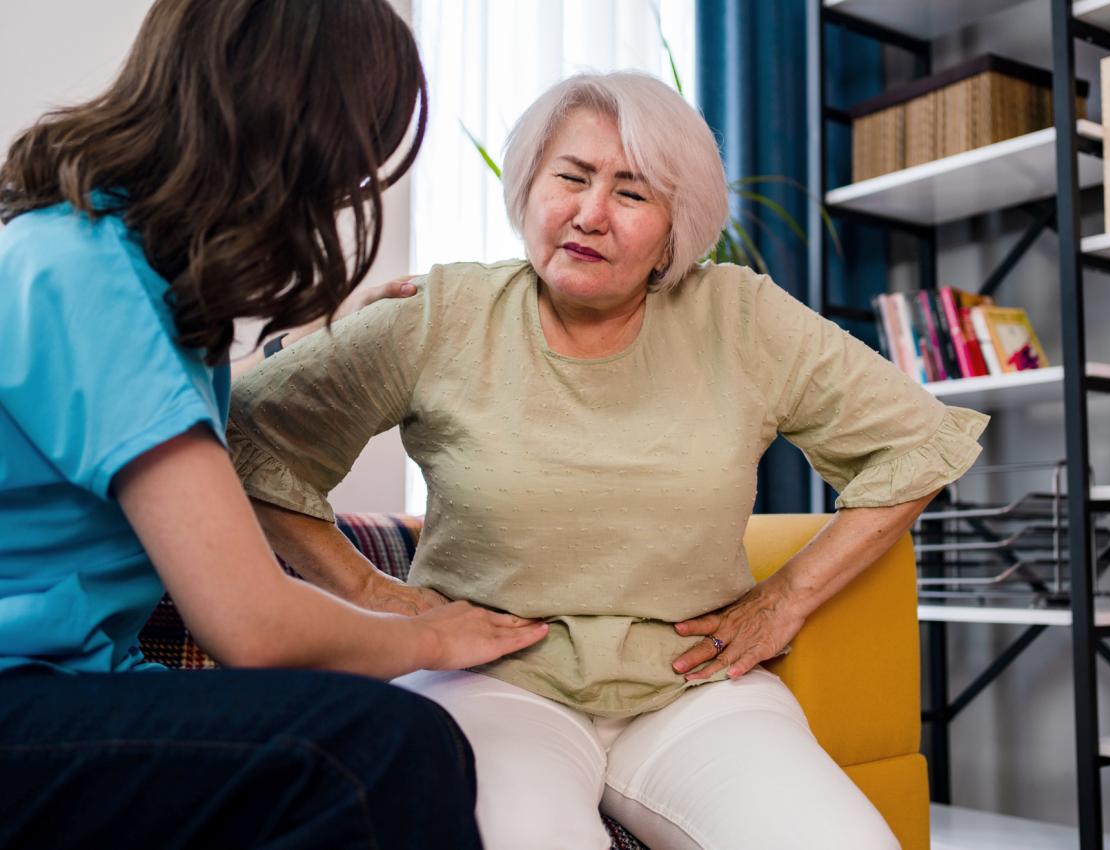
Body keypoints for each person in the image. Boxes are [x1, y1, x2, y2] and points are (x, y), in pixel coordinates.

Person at [228, 71, 989, 849]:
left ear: (675, 228)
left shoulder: (741, 317)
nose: (590, 214)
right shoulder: (441, 316)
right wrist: (372, 593)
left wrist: (788, 597)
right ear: (529, 187)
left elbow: (916, 441)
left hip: (695, 688)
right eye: (571, 177)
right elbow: (245, 435)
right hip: (489, 681)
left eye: (631, 192)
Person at [0, 2, 548, 849]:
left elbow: (151, 410)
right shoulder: (88, 275)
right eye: (353, 161)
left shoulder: (103, 257)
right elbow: (252, 624)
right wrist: (428, 636)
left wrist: (321, 342)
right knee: (382, 749)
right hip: (23, 695)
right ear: (290, 130)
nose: (347, 192)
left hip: (71, 681)